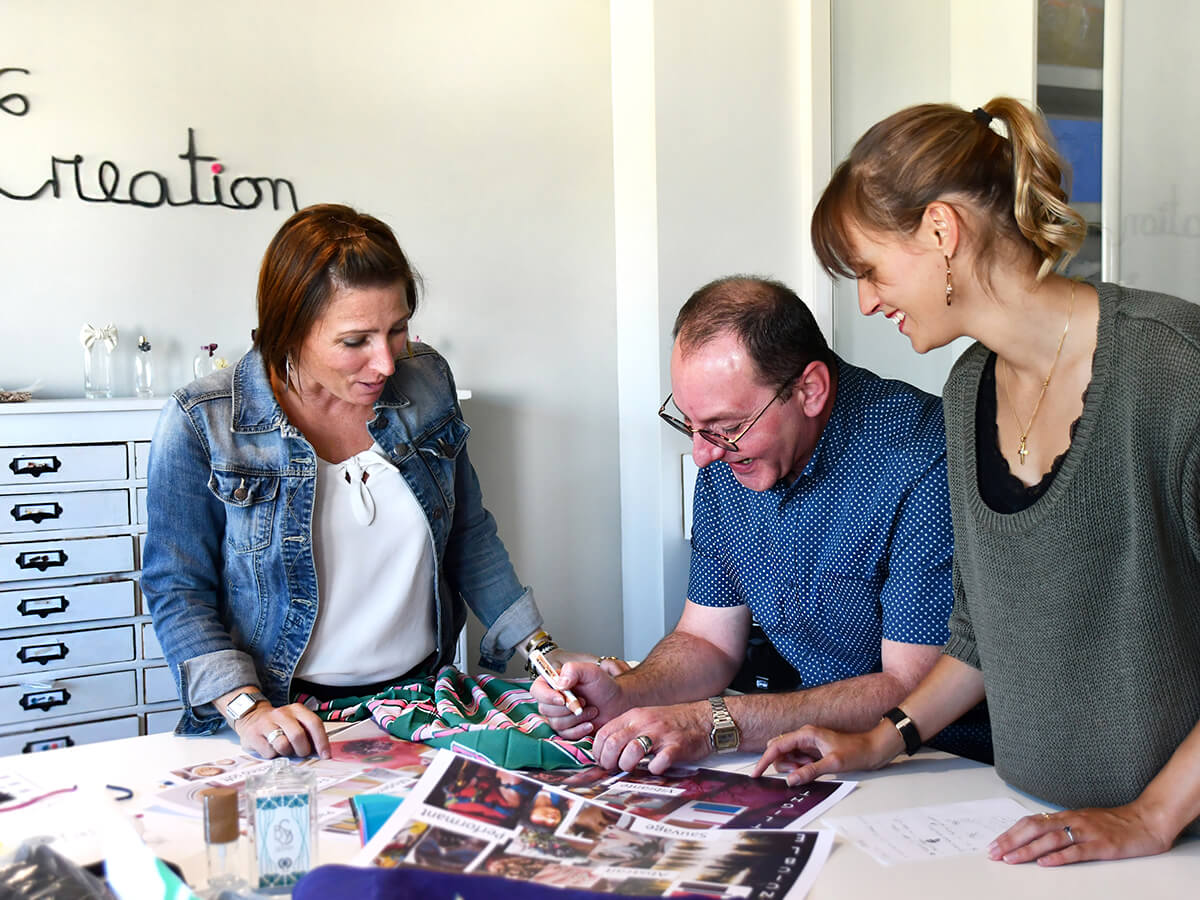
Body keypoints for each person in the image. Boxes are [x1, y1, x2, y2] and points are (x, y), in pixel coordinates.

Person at [754, 97, 1200, 865]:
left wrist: (1151, 817)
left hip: (1170, 849)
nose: (866, 300)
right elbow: (979, 631)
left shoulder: (1173, 366)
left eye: (870, 269)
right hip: (1035, 827)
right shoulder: (967, 392)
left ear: (940, 231)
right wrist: (881, 741)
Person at [143, 203, 565, 760]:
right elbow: (177, 588)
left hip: (422, 700)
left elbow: (468, 534)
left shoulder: (427, 382)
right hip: (285, 714)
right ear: (290, 331)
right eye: (355, 341)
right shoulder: (204, 421)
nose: (386, 362)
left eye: (398, 329)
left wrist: (544, 656)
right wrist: (248, 709)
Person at [535, 276, 988, 772]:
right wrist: (624, 692)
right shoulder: (727, 458)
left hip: (943, 762)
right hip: (812, 748)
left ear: (809, 390)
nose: (702, 455)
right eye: (690, 425)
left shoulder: (922, 455)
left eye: (728, 427)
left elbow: (911, 686)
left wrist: (712, 723)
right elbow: (707, 640)